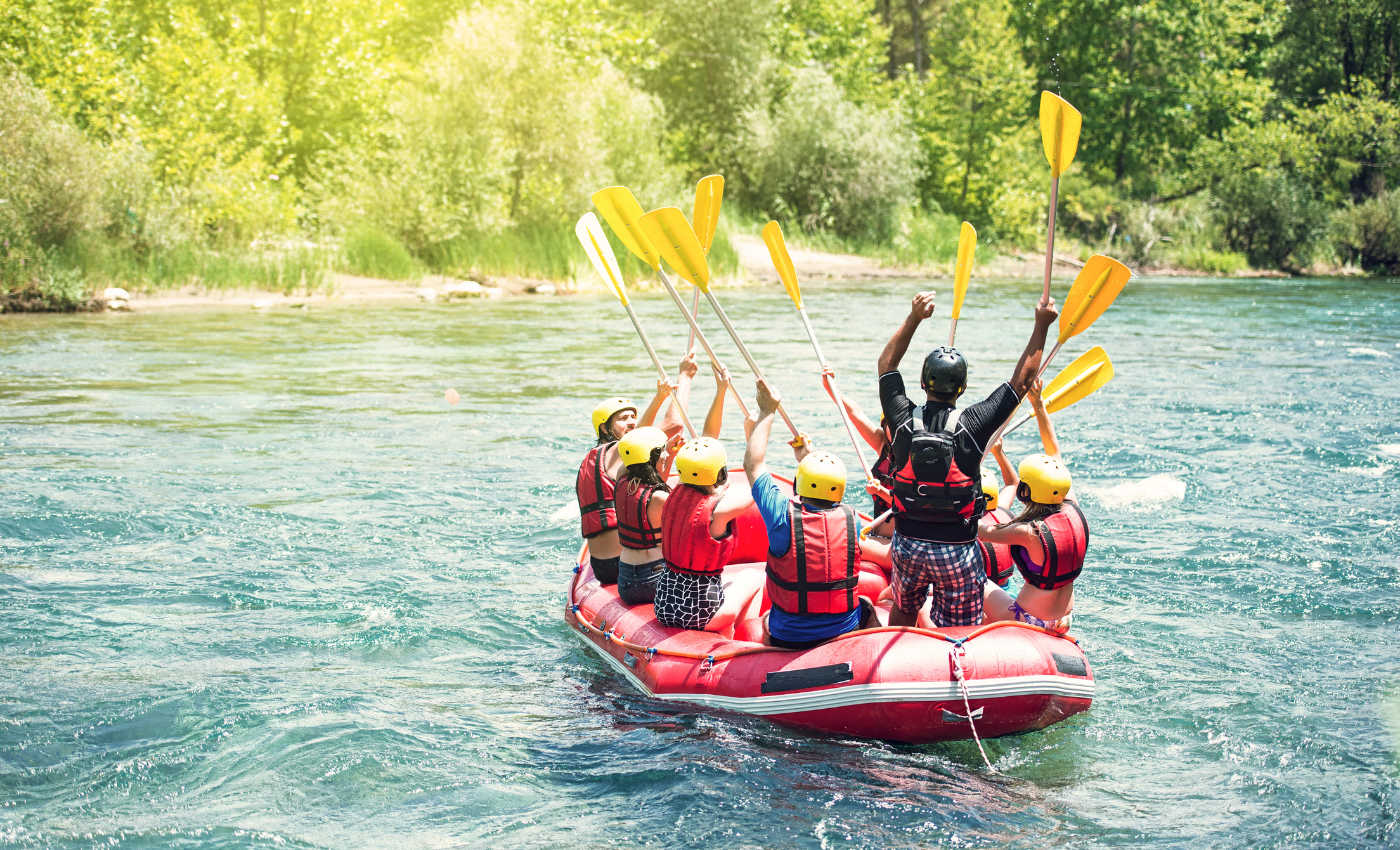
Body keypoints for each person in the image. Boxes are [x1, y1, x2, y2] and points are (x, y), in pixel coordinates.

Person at [877, 290, 1059, 627]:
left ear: (922, 382)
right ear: (962, 388)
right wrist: (1041, 325)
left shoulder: (901, 418)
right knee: (960, 626)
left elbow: (887, 366)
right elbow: (1021, 382)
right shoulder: (974, 424)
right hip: (957, 548)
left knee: (903, 609)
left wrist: (915, 317)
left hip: (908, 545)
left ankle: (902, 643)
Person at [743, 379, 879, 649]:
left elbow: (753, 464)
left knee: (768, 618)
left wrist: (767, 410)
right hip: (844, 628)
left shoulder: (782, 515)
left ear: (800, 483)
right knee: (867, 607)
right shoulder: (852, 519)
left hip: (789, 635)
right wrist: (809, 457)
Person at [613, 364, 733, 605]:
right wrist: (722, 391)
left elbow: (637, 443)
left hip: (625, 579)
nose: (668, 454)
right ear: (653, 457)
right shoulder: (662, 499)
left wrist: (665, 449)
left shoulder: (621, 478)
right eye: (663, 451)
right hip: (654, 580)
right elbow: (708, 443)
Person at [577, 354, 697, 584]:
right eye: (623, 419)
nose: (632, 422)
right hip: (623, 563)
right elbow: (674, 424)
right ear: (605, 428)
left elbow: (647, 490)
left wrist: (669, 454)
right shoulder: (617, 451)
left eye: (633, 416)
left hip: (601, 566)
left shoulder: (598, 460)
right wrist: (685, 376)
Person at [980, 378, 1086, 633]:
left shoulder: (1027, 532)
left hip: (1030, 620)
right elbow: (1055, 454)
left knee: (979, 582)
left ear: (1025, 492)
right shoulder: (1072, 506)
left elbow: (979, 531)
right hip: (1063, 621)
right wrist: (1039, 404)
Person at [653, 436, 765, 637]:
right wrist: (751, 435)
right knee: (754, 577)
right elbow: (758, 486)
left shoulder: (672, 497)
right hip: (701, 615)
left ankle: (727, 634)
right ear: (721, 473)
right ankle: (746, 641)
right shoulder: (718, 512)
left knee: (726, 588)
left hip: (664, 607)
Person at [821, 365, 895, 536]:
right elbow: (855, 413)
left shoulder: (916, 454)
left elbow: (910, 503)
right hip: (878, 534)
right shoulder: (883, 443)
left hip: (898, 544)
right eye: (890, 427)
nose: (895, 432)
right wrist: (829, 386)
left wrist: (880, 491)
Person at [977, 468, 1015, 589]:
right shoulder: (1003, 512)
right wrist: (999, 453)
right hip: (1008, 588)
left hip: (982, 594)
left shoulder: (962, 526)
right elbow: (1012, 483)